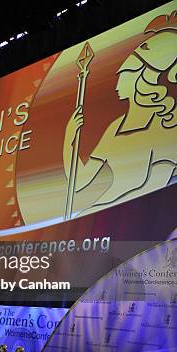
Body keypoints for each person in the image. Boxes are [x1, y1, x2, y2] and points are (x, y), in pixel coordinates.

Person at [63, 11, 176, 217]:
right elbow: (79, 182)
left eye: (123, 75)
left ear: (140, 80)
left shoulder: (164, 127)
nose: (116, 81)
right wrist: (68, 139)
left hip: (128, 224)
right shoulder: (116, 127)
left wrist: (102, 215)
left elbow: (155, 193)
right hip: (99, 219)